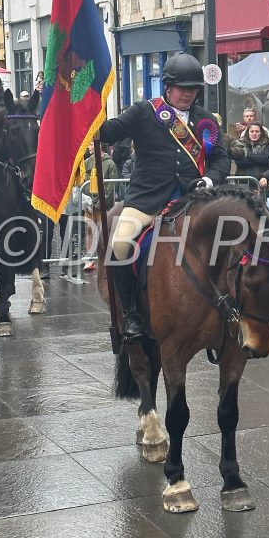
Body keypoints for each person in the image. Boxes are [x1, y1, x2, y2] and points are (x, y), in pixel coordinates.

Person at [98, 52, 230, 339]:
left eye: (193, 89)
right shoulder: (144, 111)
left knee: (231, 240)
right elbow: (109, 131)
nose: (188, 94)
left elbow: (221, 158)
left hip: (194, 197)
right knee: (120, 244)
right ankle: (131, 312)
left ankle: (229, 306)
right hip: (148, 198)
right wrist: (90, 113)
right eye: (183, 88)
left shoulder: (206, 120)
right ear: (167, 87)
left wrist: (209, 178)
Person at [82, 141, 118, 272]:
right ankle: (89, 259)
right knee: (89, 230)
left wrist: (98, 203)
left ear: (99, 146)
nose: (88, 147)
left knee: (104, 232)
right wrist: (87, 200)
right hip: (89, 204)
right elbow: (84, 181)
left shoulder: (110, 164)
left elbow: (111, 187)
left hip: (102, 205)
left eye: (91, 144)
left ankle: (105, 258)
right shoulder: (88, 162)